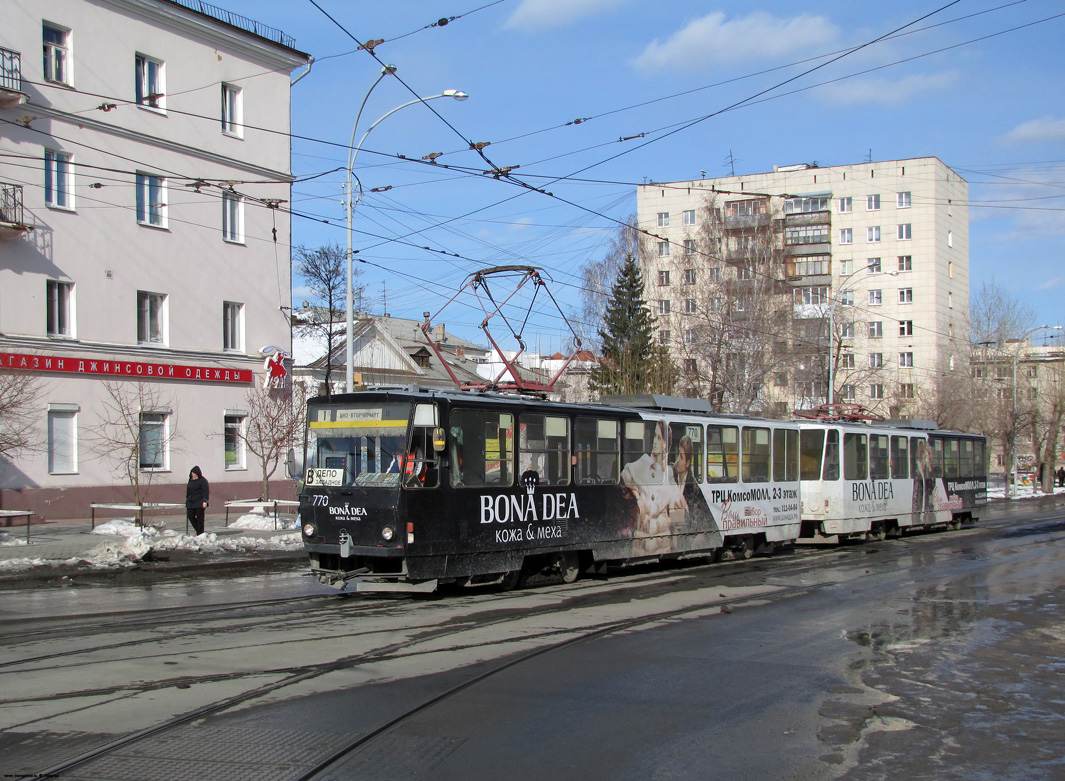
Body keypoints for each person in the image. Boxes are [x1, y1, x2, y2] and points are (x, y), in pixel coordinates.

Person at [186, 465, 209, 535]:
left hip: (199, 502)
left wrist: (205, 501)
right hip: (191, 502)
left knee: (200, 518)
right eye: (192, 473)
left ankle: (200, 532)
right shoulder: (190, 480)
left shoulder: (203, 481)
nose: (192, 475)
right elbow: (188, 490)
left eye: (194, 473)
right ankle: (199, 530)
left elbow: (206, 491)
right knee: (190, 516)